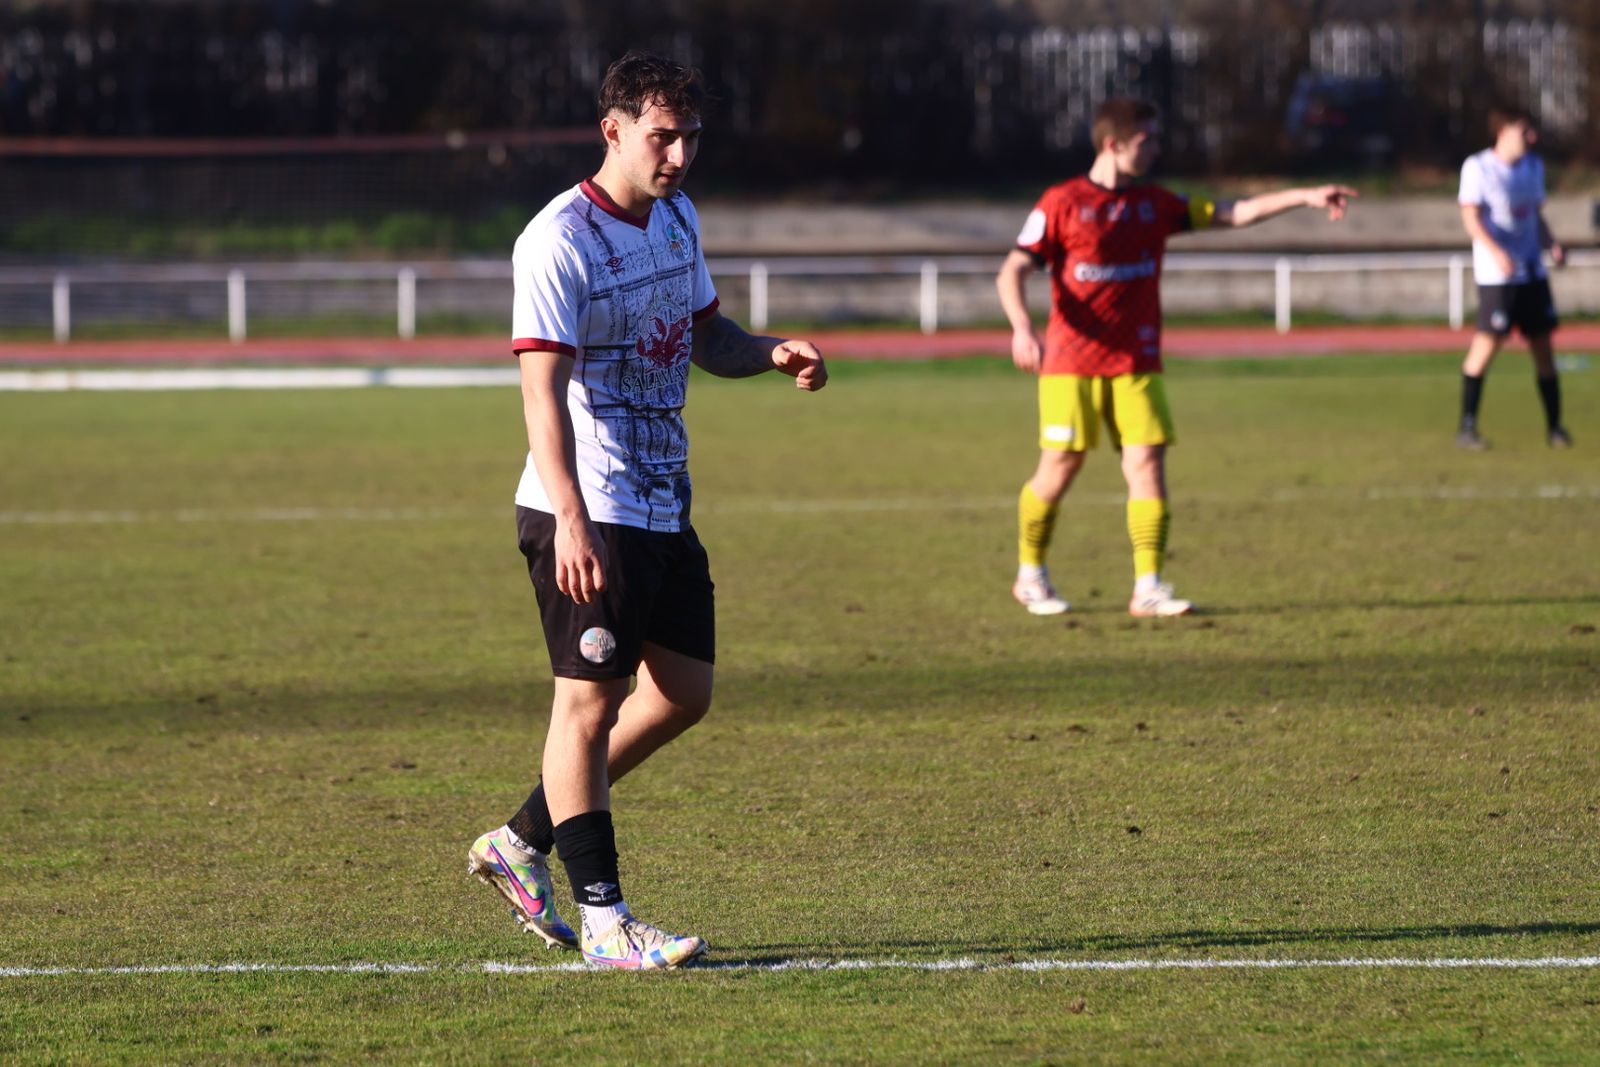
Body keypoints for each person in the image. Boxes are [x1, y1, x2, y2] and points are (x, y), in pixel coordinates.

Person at [467, 50, 827, 971]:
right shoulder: (557, 241)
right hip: (589, 504)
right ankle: (604, 921)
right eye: (661, 136)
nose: (677, 155)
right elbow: (539, 394)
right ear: (614, 129)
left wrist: (771, 351)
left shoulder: (676, 220)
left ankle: (520, 840)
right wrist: (574, 517)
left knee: (682, 694)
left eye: (690, 136)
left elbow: (708, 335)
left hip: (664, 498)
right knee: (588, 704)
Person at [996, 96, 1355, 618]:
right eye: (1148, 140)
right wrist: (1022, 329)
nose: (1157, 149)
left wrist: (1306, 194)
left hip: (1137, 363)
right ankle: (1030, 575)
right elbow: (1012, 270)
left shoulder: (1156, 204)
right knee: (1060, 467)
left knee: (1147, 465)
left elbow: (1237, 212)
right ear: (1114, 144)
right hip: (1070, 363)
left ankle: (1149, 587)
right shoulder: (1062, 202)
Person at [1455, 105, 1572, 451]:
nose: (1532, 138)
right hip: (1498, 277)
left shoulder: (1534, 167)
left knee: (1544, 350)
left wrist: (1552, 245)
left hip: (1532, 273)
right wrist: (1496, 252)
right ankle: (1467, 427)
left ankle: (1555, 428)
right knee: (1487, 346)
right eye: (1525, 131)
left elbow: (1535, 217)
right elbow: (1471, 218)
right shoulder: (1478, 168)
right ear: (1503, 131)